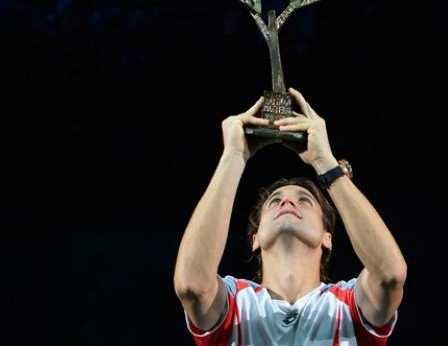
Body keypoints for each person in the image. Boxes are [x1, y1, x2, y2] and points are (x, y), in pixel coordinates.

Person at [174, 88, 407, 345]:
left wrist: (324, 162)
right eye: (275, 201)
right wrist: (233, 157)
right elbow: (191, 285)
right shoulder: (236, 303)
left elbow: (390, 274)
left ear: (327, 238)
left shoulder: (347, 305)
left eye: (304, 200)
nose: (287, 201)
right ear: (255, 238)